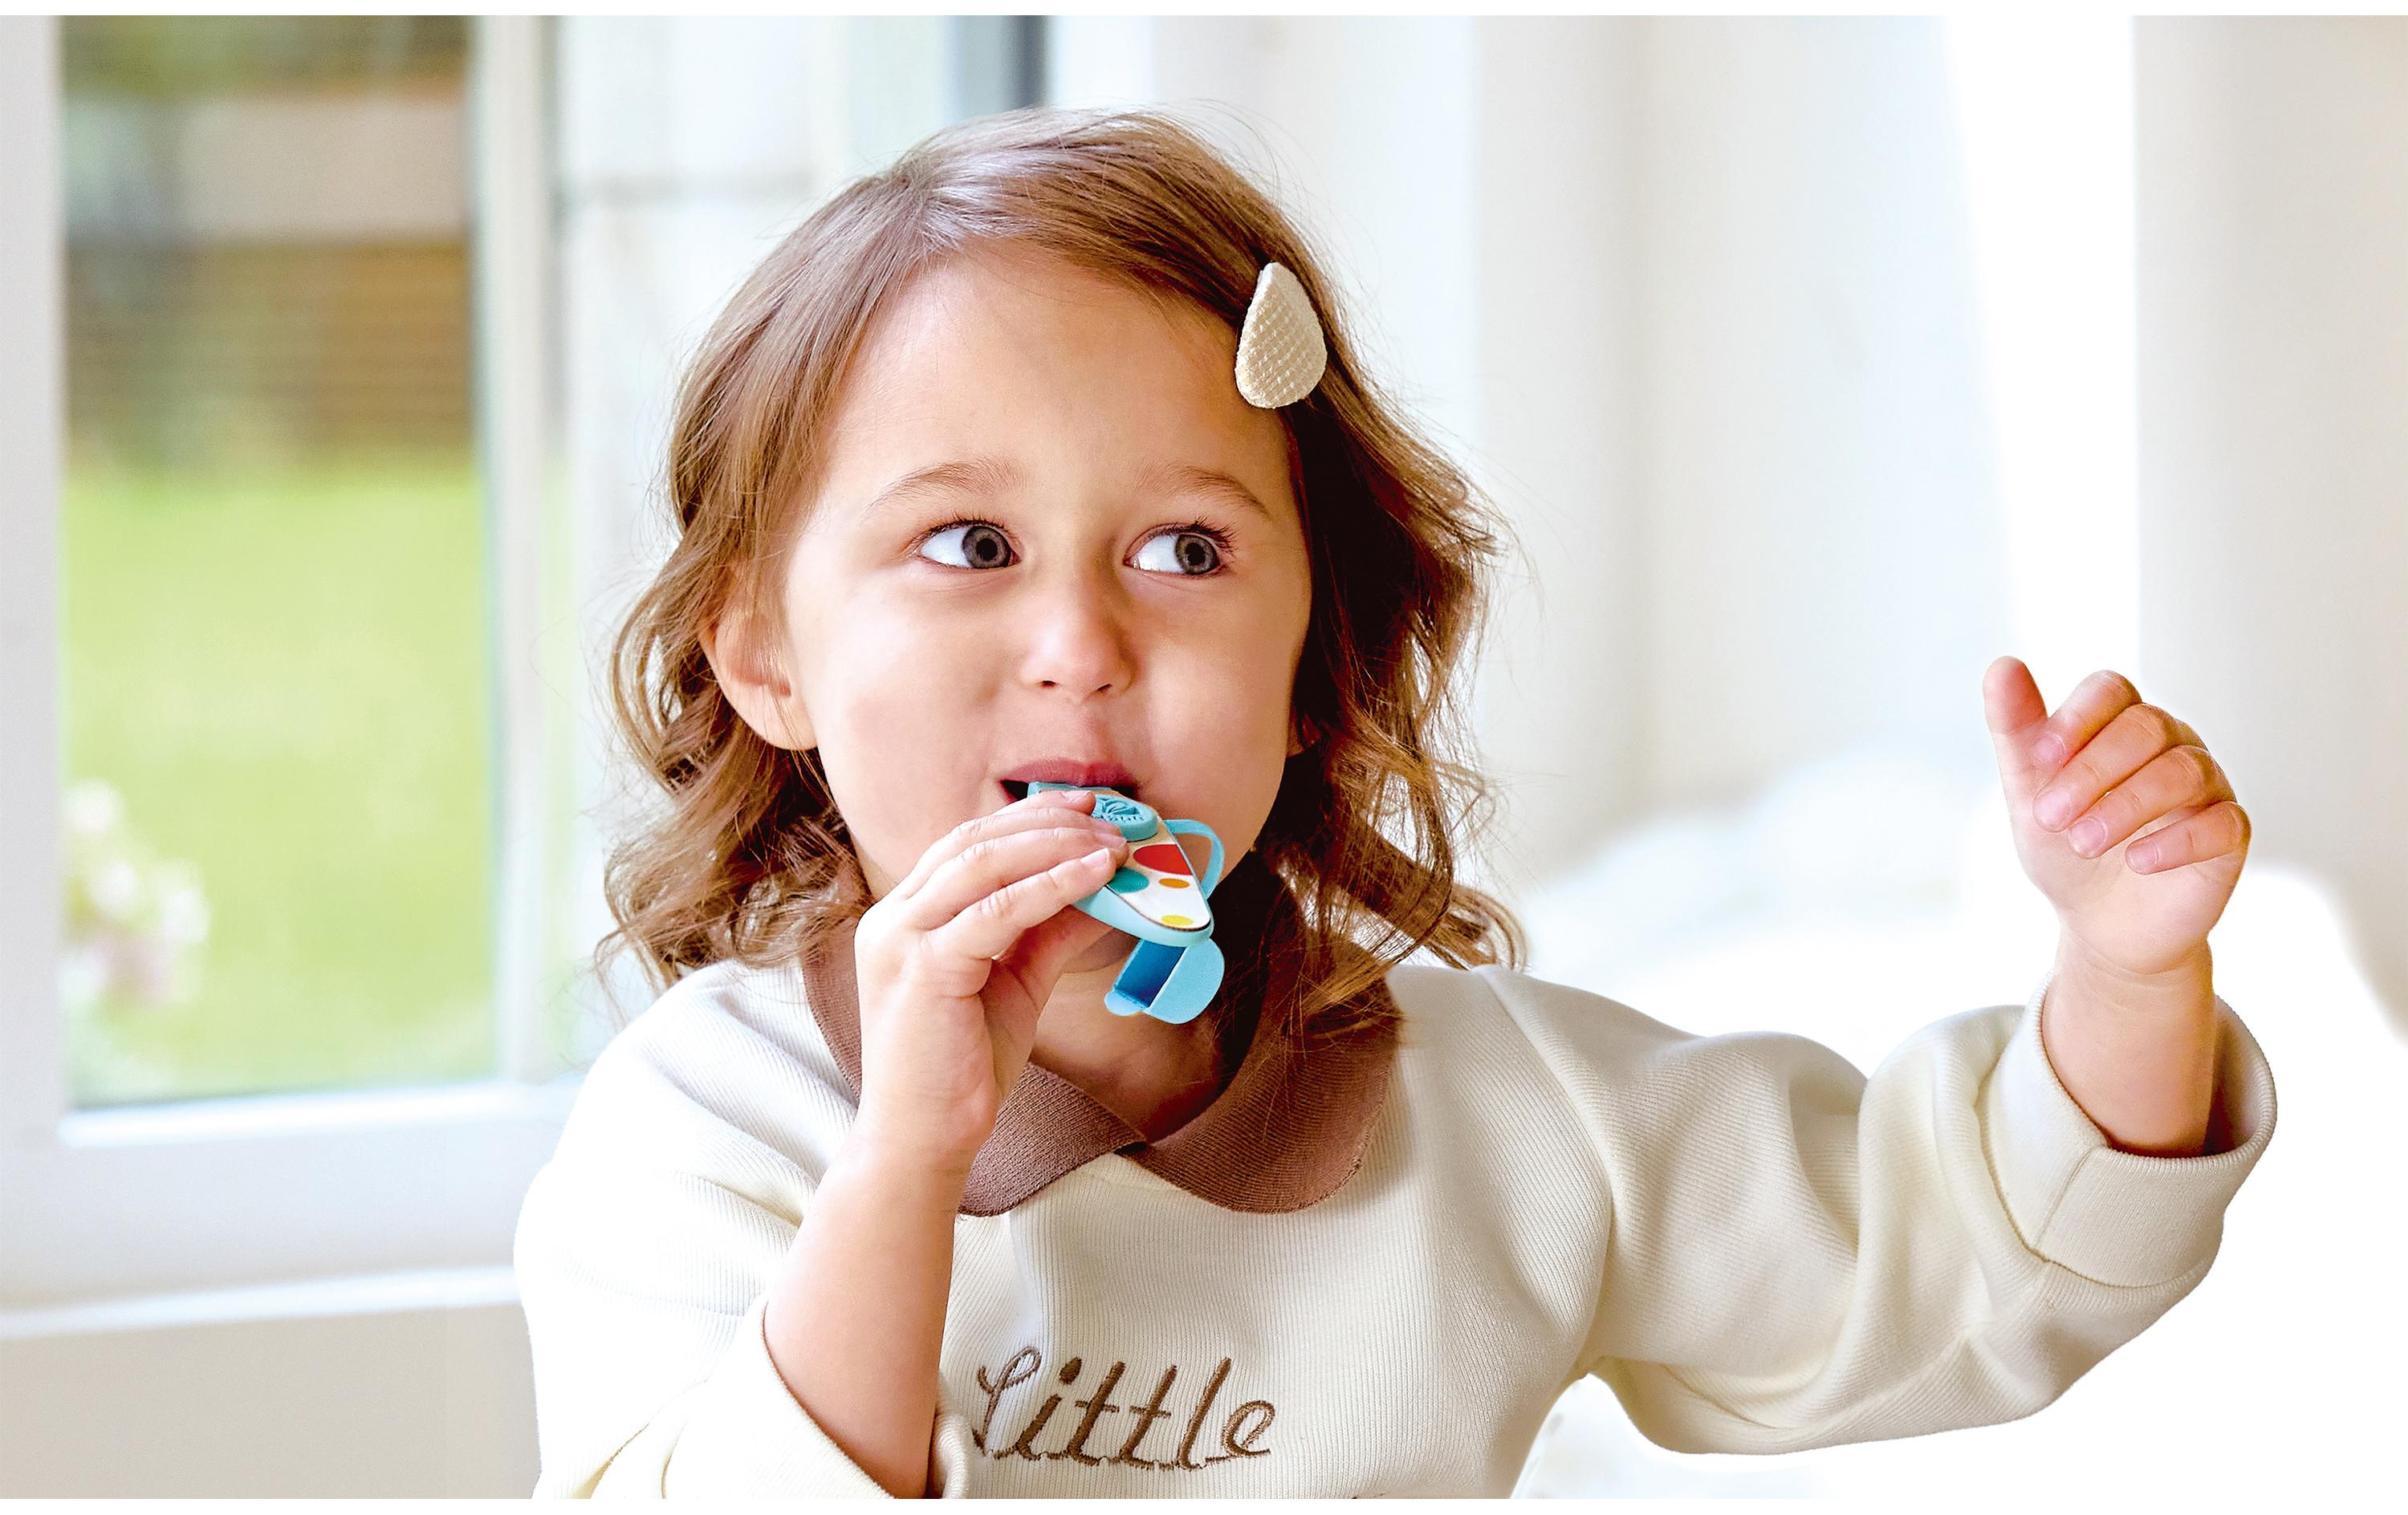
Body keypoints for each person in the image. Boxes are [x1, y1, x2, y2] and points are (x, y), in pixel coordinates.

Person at [512, 106, 2274, 1498]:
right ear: (768, 660)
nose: (1080, 642)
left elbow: (1962, 1265)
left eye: (1184, 548)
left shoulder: (1506, 1117)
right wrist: (905, 1161)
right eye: (969, 544)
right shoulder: (706, 1130)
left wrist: (2126, 974)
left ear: (1311, 670)